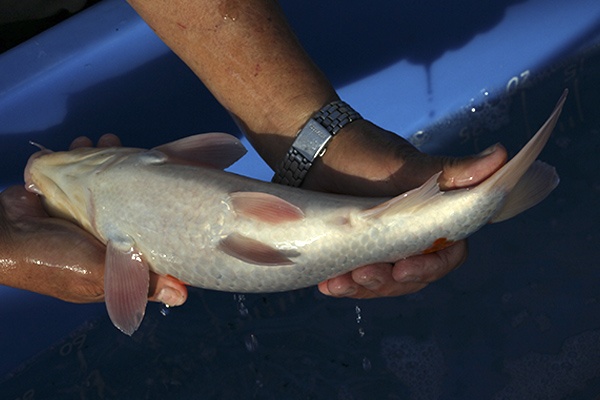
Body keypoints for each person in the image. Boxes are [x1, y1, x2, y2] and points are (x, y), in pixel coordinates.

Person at [0, 0, 507, 305]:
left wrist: (313, 135)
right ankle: (460, 209)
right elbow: (218, 149)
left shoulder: (114, 229)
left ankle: (446, 212)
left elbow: (218, 149)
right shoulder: (121, 207)